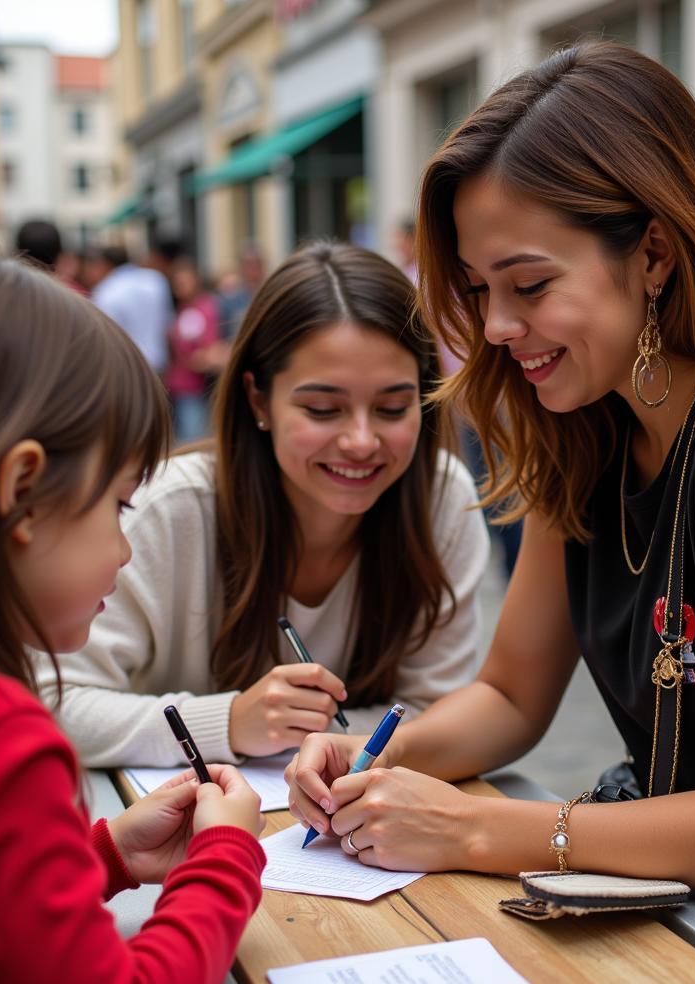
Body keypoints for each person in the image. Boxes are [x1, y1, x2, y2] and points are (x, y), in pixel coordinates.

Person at [285, 43, 695, 984]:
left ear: (656, 254)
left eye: (530, 284)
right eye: (477, 289)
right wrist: (373, 753)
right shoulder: (590, 423)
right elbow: (513, 696)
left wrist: (475, 829)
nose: (498, 327)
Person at [0, 233, 266, 984]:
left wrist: (101, 855)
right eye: (114, 506)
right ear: (23, 491)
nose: (125, 547)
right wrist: (224, 861)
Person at [36, 241, 489, 768]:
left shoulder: (443, 499)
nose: (362, 441)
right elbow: (51, 701)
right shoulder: (167, 509)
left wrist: (324, 743)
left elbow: (439, 710)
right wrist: (228, 723)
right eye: (323, 409)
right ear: (258, 400)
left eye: (392, 407)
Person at [90, 245, 173, 374]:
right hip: (159, 363)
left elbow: (105, 337)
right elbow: (168, 322)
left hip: (127, 368)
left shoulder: (105, 291)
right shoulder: (155, 279)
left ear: (105, 264)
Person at [165, 258, 223, 442]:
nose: (180, 286)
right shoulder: (183, 308)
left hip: (194, 387)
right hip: (179, 385)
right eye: (176, 283)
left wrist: (195, 359)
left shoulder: (204, 308)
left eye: (184, 281)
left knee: (192, 441)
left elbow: (208, 350)